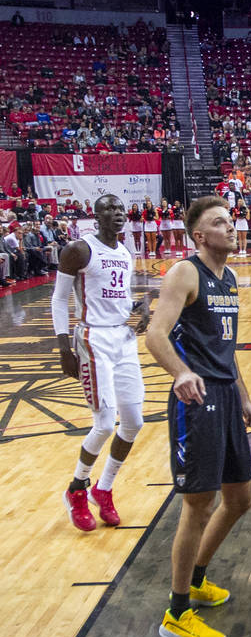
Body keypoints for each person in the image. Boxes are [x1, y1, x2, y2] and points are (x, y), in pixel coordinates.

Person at [146, 196, 251, 637]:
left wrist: (244, 396)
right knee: (198, 506)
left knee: (240, 498)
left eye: (231, 220)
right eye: (219, 222)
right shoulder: (184, 272)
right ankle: (176, 614)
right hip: (196, 401)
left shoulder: (229, 279)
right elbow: (156, 335)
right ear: (199, 236)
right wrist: (181, 373)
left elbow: (225, 350)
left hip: (226, 397)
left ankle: (195, 579)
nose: (230, 227)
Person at [52, 195, 149, 532]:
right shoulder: (79, 250)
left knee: (134, 421)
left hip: (123, 339)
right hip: (93, 340)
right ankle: (76, 489)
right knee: (105, 423)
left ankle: (103, 488)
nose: (117, 214)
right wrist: (64, 347)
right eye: (109, 209)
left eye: (121, 209)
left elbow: (121, 298)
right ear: (96, 216)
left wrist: (142, 306)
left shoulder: (125, 251)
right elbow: (58, 299)